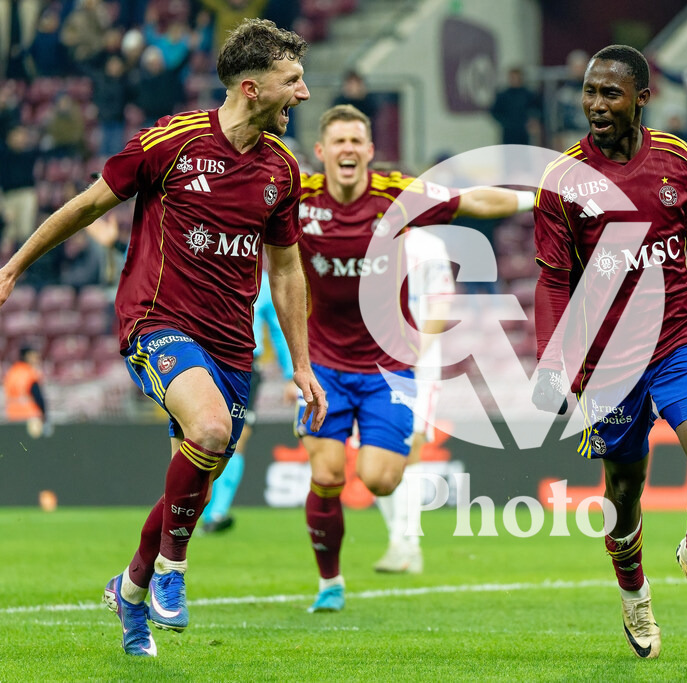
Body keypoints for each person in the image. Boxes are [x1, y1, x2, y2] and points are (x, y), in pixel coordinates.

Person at [0, 18, 327, 658]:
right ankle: (173, 571)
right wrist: (14, 266)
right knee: (208, 431)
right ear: (253, 88)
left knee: (193, 478)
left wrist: (303, 366)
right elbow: (89, 206)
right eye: (294, 81)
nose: (305, 94)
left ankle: (131, 591)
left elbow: (286, 269)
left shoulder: (283, 170)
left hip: (234, 347)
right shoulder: (174, 142)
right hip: (158, 323)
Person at [530, 45, 687, 660]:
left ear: (642, 98)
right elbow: (553, 281)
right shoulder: (561, 181)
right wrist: (552, 363)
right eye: (590, 92)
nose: (596, 105)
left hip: (680, 336)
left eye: (611, 93)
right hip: (607, 359)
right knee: (624, 491)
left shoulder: (679, 161)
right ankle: (634, 592)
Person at [296, 104, 532, 612]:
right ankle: (329, 582)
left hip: (388, 365)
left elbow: (473, 200)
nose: (348, 150)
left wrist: (537, 197)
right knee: (328, 476)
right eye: (338, 142)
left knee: (380, 477)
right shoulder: (298, 199)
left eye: (357, 141)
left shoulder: (397, 196)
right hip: (322, 365)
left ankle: (401, 538)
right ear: (321, 152)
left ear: (370, 151)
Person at [373, 228, 455, 574]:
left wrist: (416, 350)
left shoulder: (429, 245)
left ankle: (408, 544)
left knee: (412, 447)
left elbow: (442, 303)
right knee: (376, 452)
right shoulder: (369, 239)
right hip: (372, 361)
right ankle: (399, 542)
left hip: (420, 363)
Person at [201, 267, 296, 534]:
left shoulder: (264, 282)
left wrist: (291, 375)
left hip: (246, 367)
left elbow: (278, 329)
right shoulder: (207, 271)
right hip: (207, 361)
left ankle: (216, 513)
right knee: (201, 434)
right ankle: (199, 509)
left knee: (237, 439)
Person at [3, 345, 48, 438]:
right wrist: (44, 413)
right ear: (27, 356)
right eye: (35, 356)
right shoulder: (30, 372)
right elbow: (37, 395)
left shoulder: (12, 372)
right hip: (30, 416)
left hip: (12, 415)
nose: (37, 359)